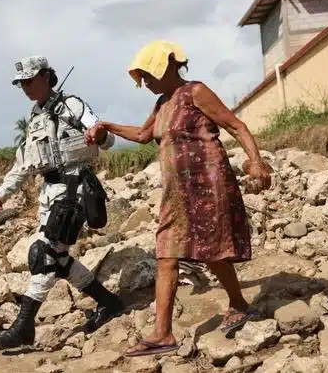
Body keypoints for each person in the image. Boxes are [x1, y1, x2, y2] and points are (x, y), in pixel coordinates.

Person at [85, 41, 273, 357]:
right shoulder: (163, 103)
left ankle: (239, 304)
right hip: (176, 193)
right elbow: (144, 136)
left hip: (207, 186)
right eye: (141, 77)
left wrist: (255, 160)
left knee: (212, 253)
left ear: (167, 65)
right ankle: (163, 334)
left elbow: (235, 125)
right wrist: (107, 126)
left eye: (147, 75)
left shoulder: (195, 92)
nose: (144, 83)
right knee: (166, 254)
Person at [0, 55, 125, 350]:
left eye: (29, 81)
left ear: (46, 77)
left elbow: (106, 138)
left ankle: (24, 325)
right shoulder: (35, 118)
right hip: (49, 195)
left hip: (75, 191)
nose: (25, 87)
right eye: (21, 83)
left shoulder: (72, 106)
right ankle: (110, 303)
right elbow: (24, 161)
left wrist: (99, 134)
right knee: (60, 261)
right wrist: (2, 193)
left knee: (44, 254)